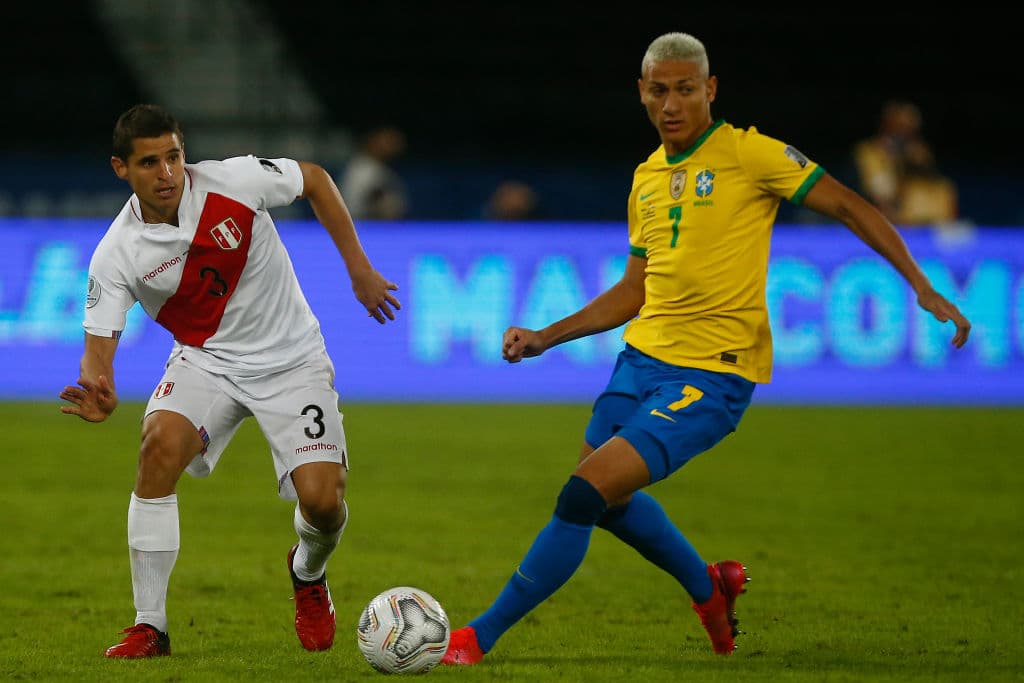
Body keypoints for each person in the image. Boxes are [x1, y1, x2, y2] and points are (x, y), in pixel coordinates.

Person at [441, 32, 971, 666]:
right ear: (641, 93)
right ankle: (709, 588)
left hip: (712, 375)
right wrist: (545, 338)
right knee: (607, 504)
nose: (672, 104)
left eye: (685, 90)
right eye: (659, 91)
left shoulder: (750, 154)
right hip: (640, 362)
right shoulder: (645, 178)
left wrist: (921, 284)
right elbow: (634, 291)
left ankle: (475, 638)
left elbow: (851, 206)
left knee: (581, 496)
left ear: (710, 89)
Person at [58, 104, 401, 658]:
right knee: (158, 447)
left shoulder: (232, 182)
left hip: (294, 361)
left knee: (322, 503)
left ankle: (307, 574)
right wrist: (98, 387)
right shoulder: (115, 254)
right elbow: (98, 350)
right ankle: (150, 626)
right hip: (206, 361)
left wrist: (358, 268)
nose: (167, 172)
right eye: (150, 162)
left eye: (173, 156)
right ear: (121, 168)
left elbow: (314, 178)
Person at [337, 125, 409, 220]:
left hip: (369, 226)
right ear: (372, 141)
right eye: (387, 140)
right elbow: (379, 205)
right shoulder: (363, 168)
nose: (392, 146)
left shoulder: (376, 167)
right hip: (365, 226)